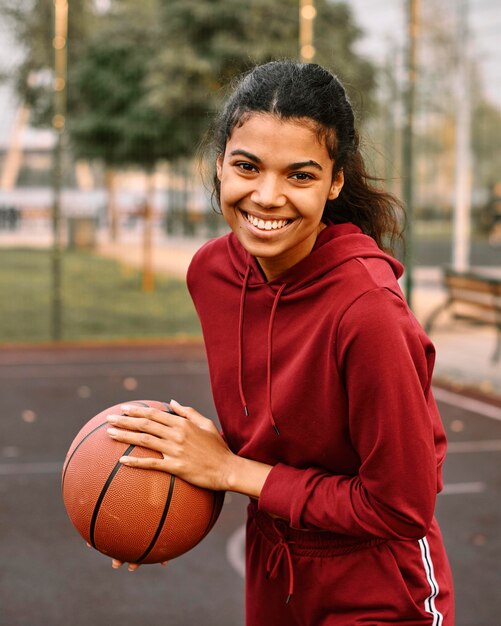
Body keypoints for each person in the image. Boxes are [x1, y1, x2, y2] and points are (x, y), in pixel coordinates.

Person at [106, 61, 454, 625]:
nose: (267, 196)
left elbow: (401, 507)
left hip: (379, 590)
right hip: (273, 575)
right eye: (247, 166)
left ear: (335, 181)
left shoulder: (368, 313)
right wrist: (158, 505)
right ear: (220, 165)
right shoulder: (211, 274)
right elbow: (277, 434)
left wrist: (232, 472)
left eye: (300, 175)